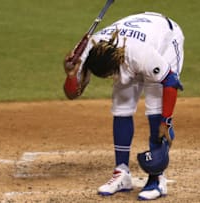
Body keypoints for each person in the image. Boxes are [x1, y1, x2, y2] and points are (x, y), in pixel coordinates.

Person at [63, 11, 184, 201]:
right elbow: (72, 94)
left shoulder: (140, 55)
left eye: (111, 74)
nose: (112, 79)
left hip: (163, 40)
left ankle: (157, 179)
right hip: (131, 47)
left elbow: (171, 81)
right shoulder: (89, 51)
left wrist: (166, 121)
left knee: (155, 108)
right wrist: (71, 75)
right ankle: (122, 173)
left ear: (117, 63)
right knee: (121, 105)